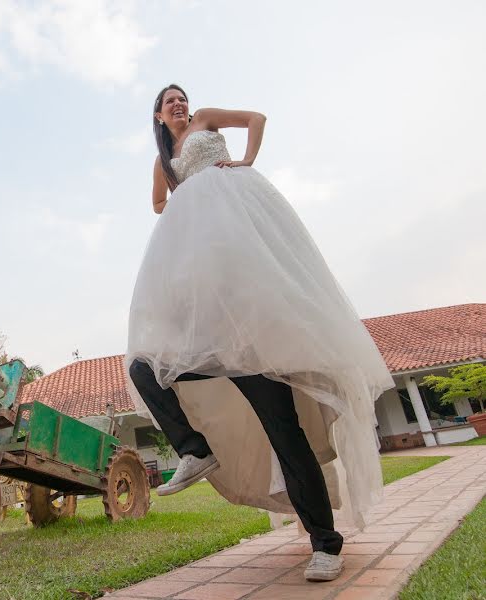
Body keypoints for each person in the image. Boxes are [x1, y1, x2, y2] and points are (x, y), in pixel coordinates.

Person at [125, 84, 394, 582]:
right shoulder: (165, 164)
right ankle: (194, 449)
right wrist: (190, 206)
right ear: (158, 117)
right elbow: (159, 204)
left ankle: (325, 544)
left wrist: (242, 163)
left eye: (182, 98)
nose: (180, 104)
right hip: (212, 343)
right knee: (143, 366)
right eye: (170, 102)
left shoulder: (207, 120)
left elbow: (256, 118)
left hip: (255, 343)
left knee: (285, 435)